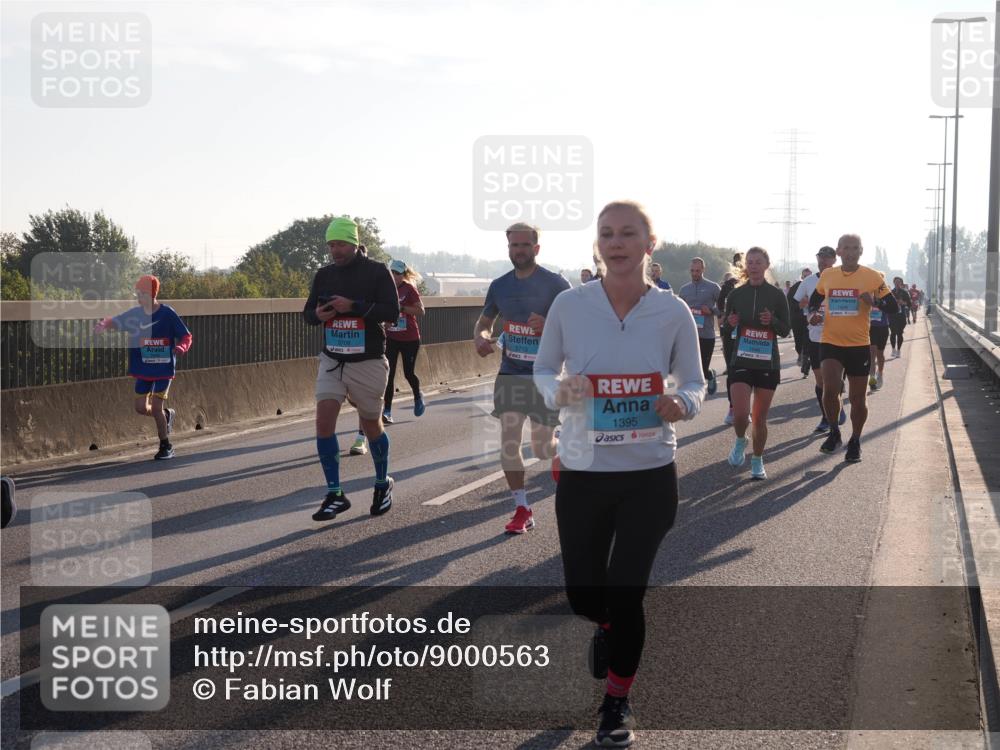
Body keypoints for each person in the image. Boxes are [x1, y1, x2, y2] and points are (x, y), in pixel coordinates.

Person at [534, 200, 704, 748]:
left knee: (627, 593)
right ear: (598, 243)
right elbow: (542, 369)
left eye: (628, 233)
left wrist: (682, 403)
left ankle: (616, 702)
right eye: (606, 233)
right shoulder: (570, 304)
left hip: (648, 475)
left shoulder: (673, 312)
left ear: (649, 244)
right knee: (585, 597)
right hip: (583, 471)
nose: (615, 242)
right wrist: (555, 391)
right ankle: (605, 626)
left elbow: (695, 382)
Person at [474, 222, 570, 534]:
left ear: (536, 248)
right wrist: (481, 337)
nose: (519, 251)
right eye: (514, 245)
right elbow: (485, 322)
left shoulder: (556, 284)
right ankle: (522, 508)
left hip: (544, 375)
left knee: (542, 448)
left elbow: (578, 324)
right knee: (509, 442)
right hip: (511, 372)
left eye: (525, 245)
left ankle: (561, 448)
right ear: (508, 248)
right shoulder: (500, 285)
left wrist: (550, 323)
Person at [305, 216, 400, 522]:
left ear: (355, 244)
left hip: (368, 361)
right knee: (323, 423)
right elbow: (307, 314)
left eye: (341, 244)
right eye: (331, 245)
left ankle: (382, 483)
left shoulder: (377, 271)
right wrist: (319, 315)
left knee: (371, 425)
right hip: (333, 360)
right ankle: (335, 494)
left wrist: (353, 306)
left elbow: (392, 311)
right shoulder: (324, 275)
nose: (335, 250)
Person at [808, 234, 899, 462]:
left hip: (858, 345)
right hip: (830, 342)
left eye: (855, 248)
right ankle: (834, 432)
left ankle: (855, 440)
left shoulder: (872, 276)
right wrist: (814, 315)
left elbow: (893, 307)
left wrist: (874, 302)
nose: (850, 252)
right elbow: (814, 300)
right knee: (830, 389)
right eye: (846, 248)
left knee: (858, 399)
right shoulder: (828, 275)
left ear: (861, 251)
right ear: (839, 251)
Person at [93, 275, 192, 460]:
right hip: (143, 369)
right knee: (140, 408)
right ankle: (166, 415)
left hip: (163, 369)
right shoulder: (135, 314)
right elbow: (116, 321)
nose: (139, 298)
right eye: (137, 294)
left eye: (143, 294)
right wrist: (104, 324)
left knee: (155, 408)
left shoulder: (167, 313)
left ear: (153, 294)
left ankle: (166, 446)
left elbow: (186, 336)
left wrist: (181, 347)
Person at [721, 247, 790, 480]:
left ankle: (758, 460)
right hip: (741, 360)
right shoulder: (736, 294)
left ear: (766, 265)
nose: (753, 266)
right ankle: (741, 440)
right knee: (741, 415)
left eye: (758, 262)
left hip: (767, 364)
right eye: (749, 262)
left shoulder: (776, 295)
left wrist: (773, 321)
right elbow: (725, 327)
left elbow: (785, 329)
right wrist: (730, 323)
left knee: (759, 418)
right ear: (745, 266)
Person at [349, 259, 426, 454]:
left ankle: (418, 395)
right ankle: (388, 411)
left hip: (410, 338)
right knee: (389, 376)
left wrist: (401, 308)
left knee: (408, 373)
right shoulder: (385, 288)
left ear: (403, 274)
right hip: (391, 337)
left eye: (398, 273)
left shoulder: (409, 289)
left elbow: (420, 311)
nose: (394, 275)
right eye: (392, 272)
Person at [794, 247, 846, 433]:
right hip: (815, 336)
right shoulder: (808, 281)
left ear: (834, 260)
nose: (823, 261)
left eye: (827, 257)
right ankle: (826, 416)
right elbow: (796, 302)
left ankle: (836, 405)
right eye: (820, 257)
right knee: (821, 380)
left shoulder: (843, 278)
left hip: (839, 336)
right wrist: (807, 310)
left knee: (834, 381)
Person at [677, 258, 721, 397]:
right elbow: (679, 311)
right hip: (689, 335)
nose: (695, 273)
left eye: (697, 271)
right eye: (692, 271)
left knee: (703, 368)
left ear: (703, 270)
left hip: (706, 334)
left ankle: (710, 374)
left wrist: (711, 310)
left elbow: (724, 308)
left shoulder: (713, 287)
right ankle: (690, 395)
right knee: (690, 367)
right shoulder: (684, 289)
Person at [716, 253, 743, 425]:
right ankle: (733, 407)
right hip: (731, 334)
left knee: (747, 372)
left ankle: (744, 407)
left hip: (748, 335)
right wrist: (725, 316)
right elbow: (719, 304)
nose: (739, 267)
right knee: (732, 371)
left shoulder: (753, 284)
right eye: (737, 264)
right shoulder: (727, 286)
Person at [868, 273, 891, 392]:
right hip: (871, 327)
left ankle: (880, 374)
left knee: (880, 354)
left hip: (883, 326)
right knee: (872, 353)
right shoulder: (868, 292)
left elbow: (892, 308)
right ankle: (872, 378)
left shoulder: (887, 294)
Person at [787, 268, 811, 376]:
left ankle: (805, 364)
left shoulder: (815, 286)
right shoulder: (795, 288)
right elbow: (789, 304)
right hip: (797, 320)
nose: (807, 279)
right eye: (805, 276)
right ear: (802, 277)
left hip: (809, 321)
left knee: (807, 343)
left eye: (809, 276)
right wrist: (799, 306)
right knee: (798, 344)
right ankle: (801, 355)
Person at [889, 277, 911, 357]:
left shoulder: (904, 292)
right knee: (893, 333)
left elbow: (909, 304)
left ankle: (898, 350)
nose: (897, 283)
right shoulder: (890, 292)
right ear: (894, 283)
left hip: (901, 316)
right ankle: (893, 349)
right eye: (896, 282)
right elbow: (887, 303)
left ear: (901, 283)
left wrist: (903, 303)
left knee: (899, 333)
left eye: (899, 282)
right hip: (892, 316)